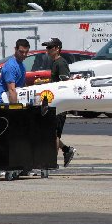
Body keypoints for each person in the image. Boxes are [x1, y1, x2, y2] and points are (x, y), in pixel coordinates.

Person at [42, 38, 76, 167]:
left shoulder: (61, 63)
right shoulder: (55, 63)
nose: (47, 50)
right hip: (54, 103)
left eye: (50, 48)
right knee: (51, 133)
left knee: (54, 134)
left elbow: (65, 83)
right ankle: (67, 150)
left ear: (57, 48)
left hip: (60, 105)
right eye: (47, 48)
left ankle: (51, 163)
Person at [0, 39, 30, 103]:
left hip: (14, 99)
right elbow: (11, 90)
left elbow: (22, 85)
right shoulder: (11, 66)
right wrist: (15, 109)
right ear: (15, 49)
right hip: (4, 102)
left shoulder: (22, 65)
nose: (24, 54)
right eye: (21, 52)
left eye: (26, 52)